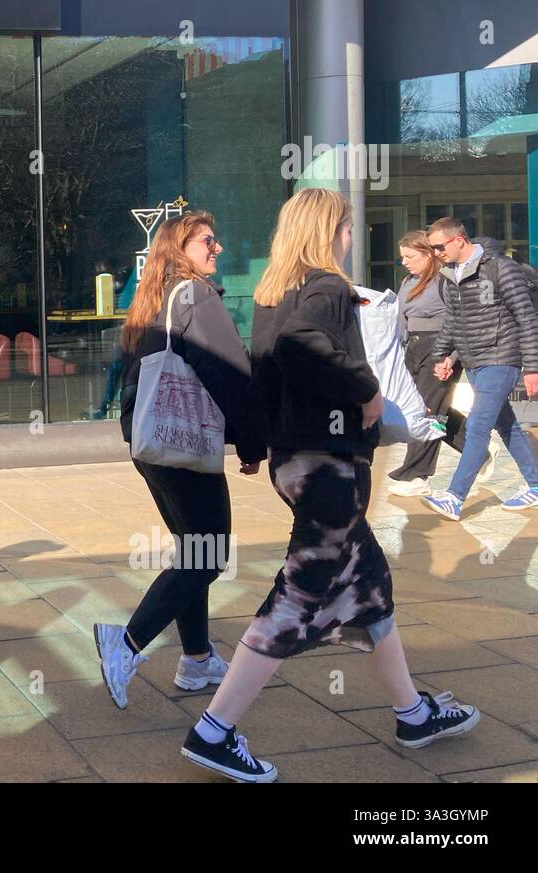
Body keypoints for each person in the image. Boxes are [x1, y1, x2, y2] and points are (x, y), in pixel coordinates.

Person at [180, 189, 480, 783]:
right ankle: (213, 732)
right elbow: (301, 350)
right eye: (346, 226)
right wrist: (365, 391)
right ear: (329, 230)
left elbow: (263, 369)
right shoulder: (327, 287)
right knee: (297, 594)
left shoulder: (273, 293)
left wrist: (258, 445)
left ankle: (414, 714)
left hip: (297, 462)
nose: (350, 236)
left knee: (369, 588)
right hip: (328, 467)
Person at [94, 211, 265, 708]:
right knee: (209, 555)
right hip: (184, 445)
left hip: (153, 443)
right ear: (179, 247)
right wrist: (252, 443)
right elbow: (230, 372)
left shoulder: (154, 298)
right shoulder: (196, 296)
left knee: (195, 549)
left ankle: (196, 659)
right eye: (208, 241)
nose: (218, 249)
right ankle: (124, 644)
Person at [422, 217, 538, 519]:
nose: (435, 253)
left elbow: (526, 317)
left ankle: (454, 496)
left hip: (501, 357)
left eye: (438, 246)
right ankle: (536, 485)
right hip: (474, 360)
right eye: (432, 248)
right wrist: (445, 356)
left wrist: (532, 368)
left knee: (477, 425)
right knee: (506, 425)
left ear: (459, 240)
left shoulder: (501, 268)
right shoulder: (450, 274)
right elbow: (454, 320)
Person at [386, 230, 492, 496]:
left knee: (427, 411)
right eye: (402, 258)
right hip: (414, 349)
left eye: (410, 256)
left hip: (441, 349)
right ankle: (477, 449)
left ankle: (417, 475)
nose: (405, 262)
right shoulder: (409, 281)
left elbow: (460, 321)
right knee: (428, 408)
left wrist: (450, 357)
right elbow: (401, 322)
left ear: (428, 253)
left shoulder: (446, 281)